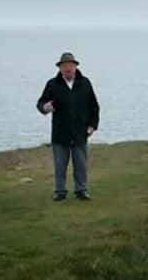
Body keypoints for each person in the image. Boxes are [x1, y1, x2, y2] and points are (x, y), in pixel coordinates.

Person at [37, 52, 100, 201]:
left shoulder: (85, 83)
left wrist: (92, 125)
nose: (68, 69)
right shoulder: (52, 84)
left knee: (81, 165)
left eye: (70, 66)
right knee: (60, 165)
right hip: (60, 133)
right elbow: (40, 103)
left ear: (75, 67)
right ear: (60, 68)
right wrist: (45, 107)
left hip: (80, 132)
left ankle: (81, 190)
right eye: (64, 66)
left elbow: (94, 107)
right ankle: (60, 191)